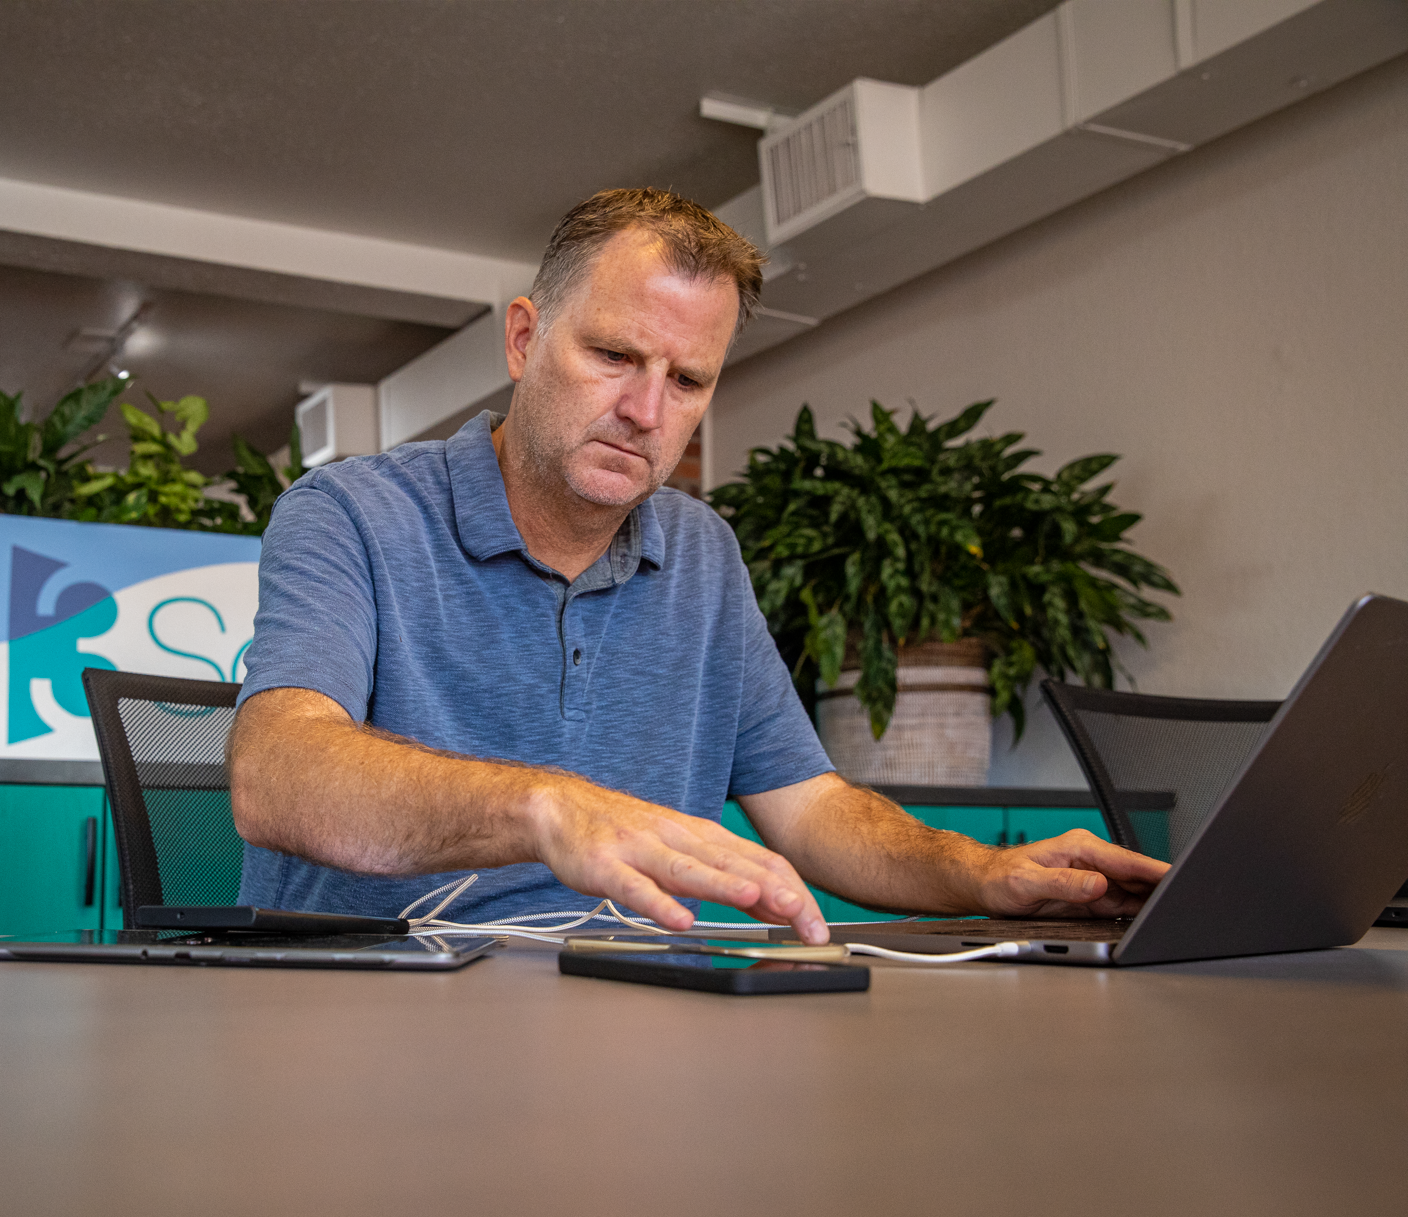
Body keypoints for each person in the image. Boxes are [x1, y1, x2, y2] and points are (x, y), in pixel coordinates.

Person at [228, 187, 1168, 944]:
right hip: (385, 1021)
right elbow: (275, 771)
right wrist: (548, 809)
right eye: (612, 354)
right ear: (523, 339)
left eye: (687, 380)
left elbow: (809, 807)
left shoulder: (702, 555)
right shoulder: (352, 511)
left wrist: (980, 871)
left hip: (631, 1021)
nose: (646, 410)